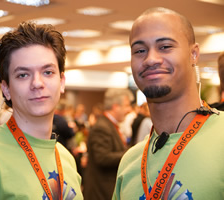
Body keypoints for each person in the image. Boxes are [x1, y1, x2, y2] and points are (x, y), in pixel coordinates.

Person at [0, 21, 83, 200]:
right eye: (23, 75)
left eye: (48, 72)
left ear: (62, 81)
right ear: (6, 88)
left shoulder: (65, 158)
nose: (37, 83)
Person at [112, 7, 224, 200]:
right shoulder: (130, 162)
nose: (151, 59)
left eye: (165, 47)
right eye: (140, 50)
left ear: (194, 54)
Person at [83, 88, 133, 200]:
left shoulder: (109, 125)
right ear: (116, 107)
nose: (129, 110)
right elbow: (102, 158)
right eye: (127, 105)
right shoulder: (102, 127)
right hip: (101, 192)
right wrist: (130, 154)